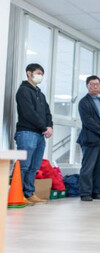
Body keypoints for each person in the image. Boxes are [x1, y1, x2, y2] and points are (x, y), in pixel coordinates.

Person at [15, 63, 53, 204]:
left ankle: (29, 193)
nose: (40, 76)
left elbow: (47, 113)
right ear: (29, 73)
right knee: (24, 166)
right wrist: (44, 127)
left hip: (39, 134)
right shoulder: (23, 91)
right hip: (26, 133)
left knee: (34, 166)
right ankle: (17, 194)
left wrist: (49, 126)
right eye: (38, 73)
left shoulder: (40, 94)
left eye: (42, 74)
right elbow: (29, 113)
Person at [76, 75, 100, 202]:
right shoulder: (83, 102)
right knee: (88, 166)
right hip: (90, 138)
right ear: (87, 86)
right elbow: (87, 121)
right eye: (92, 84)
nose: (95, 86)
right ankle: (85, 192)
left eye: (97, 84)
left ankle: (95, 191)